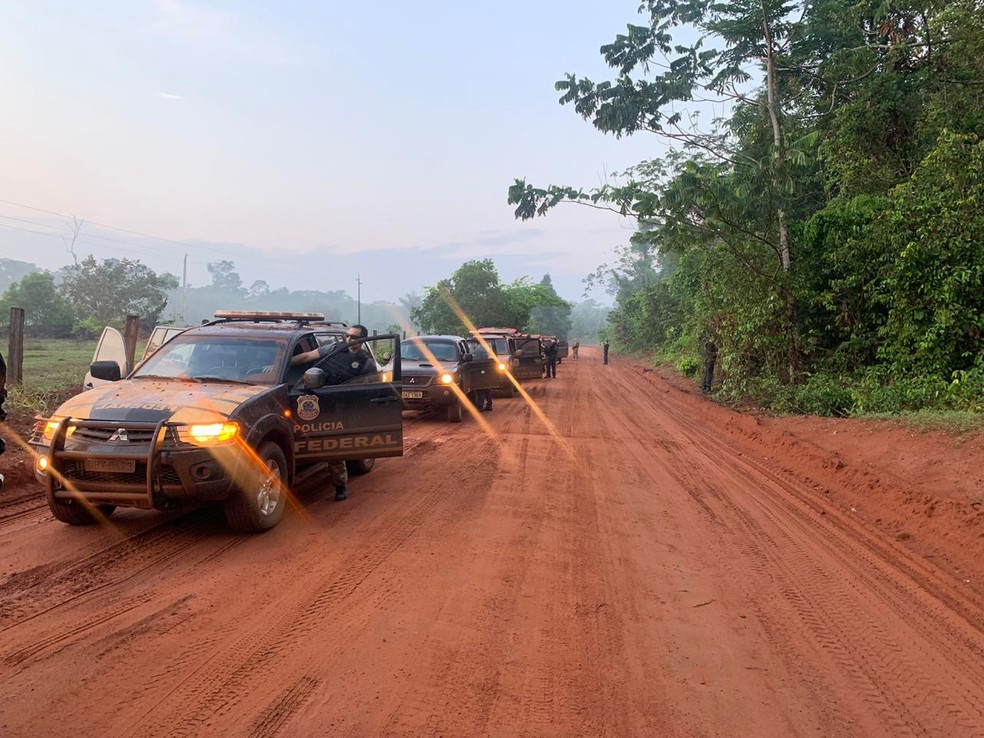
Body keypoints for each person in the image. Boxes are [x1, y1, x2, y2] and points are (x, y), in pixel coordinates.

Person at [292, 325, 377, 502]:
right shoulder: (333, 349)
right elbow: (308, 356)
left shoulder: (366, 362)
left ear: (362, 340)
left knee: (334, 448)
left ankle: (340, 486)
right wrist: (282, 362)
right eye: (347, 336)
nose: (349, 340)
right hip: (320, 402)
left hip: (345, 407)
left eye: (353, 337)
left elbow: (373, 387)